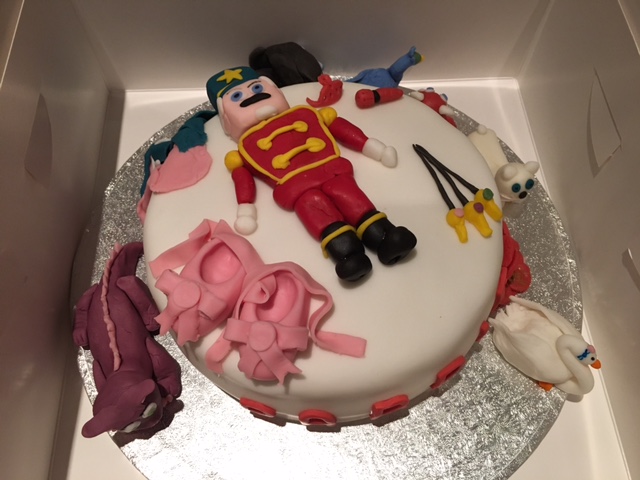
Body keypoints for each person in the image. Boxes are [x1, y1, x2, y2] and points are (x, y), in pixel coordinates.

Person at [206, 67, 416, 282]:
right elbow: (242, 178)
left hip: (331, 170)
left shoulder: (307, 115)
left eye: (257, 88)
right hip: (297, 188)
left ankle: (384, 236)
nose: (252, 96)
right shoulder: (244, 149)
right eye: (237, 97)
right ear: (225, 117)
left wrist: (372, 147)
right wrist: (246, 209)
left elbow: (340, 128)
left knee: (353, 199)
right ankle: (348, 254)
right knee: (318, 213)